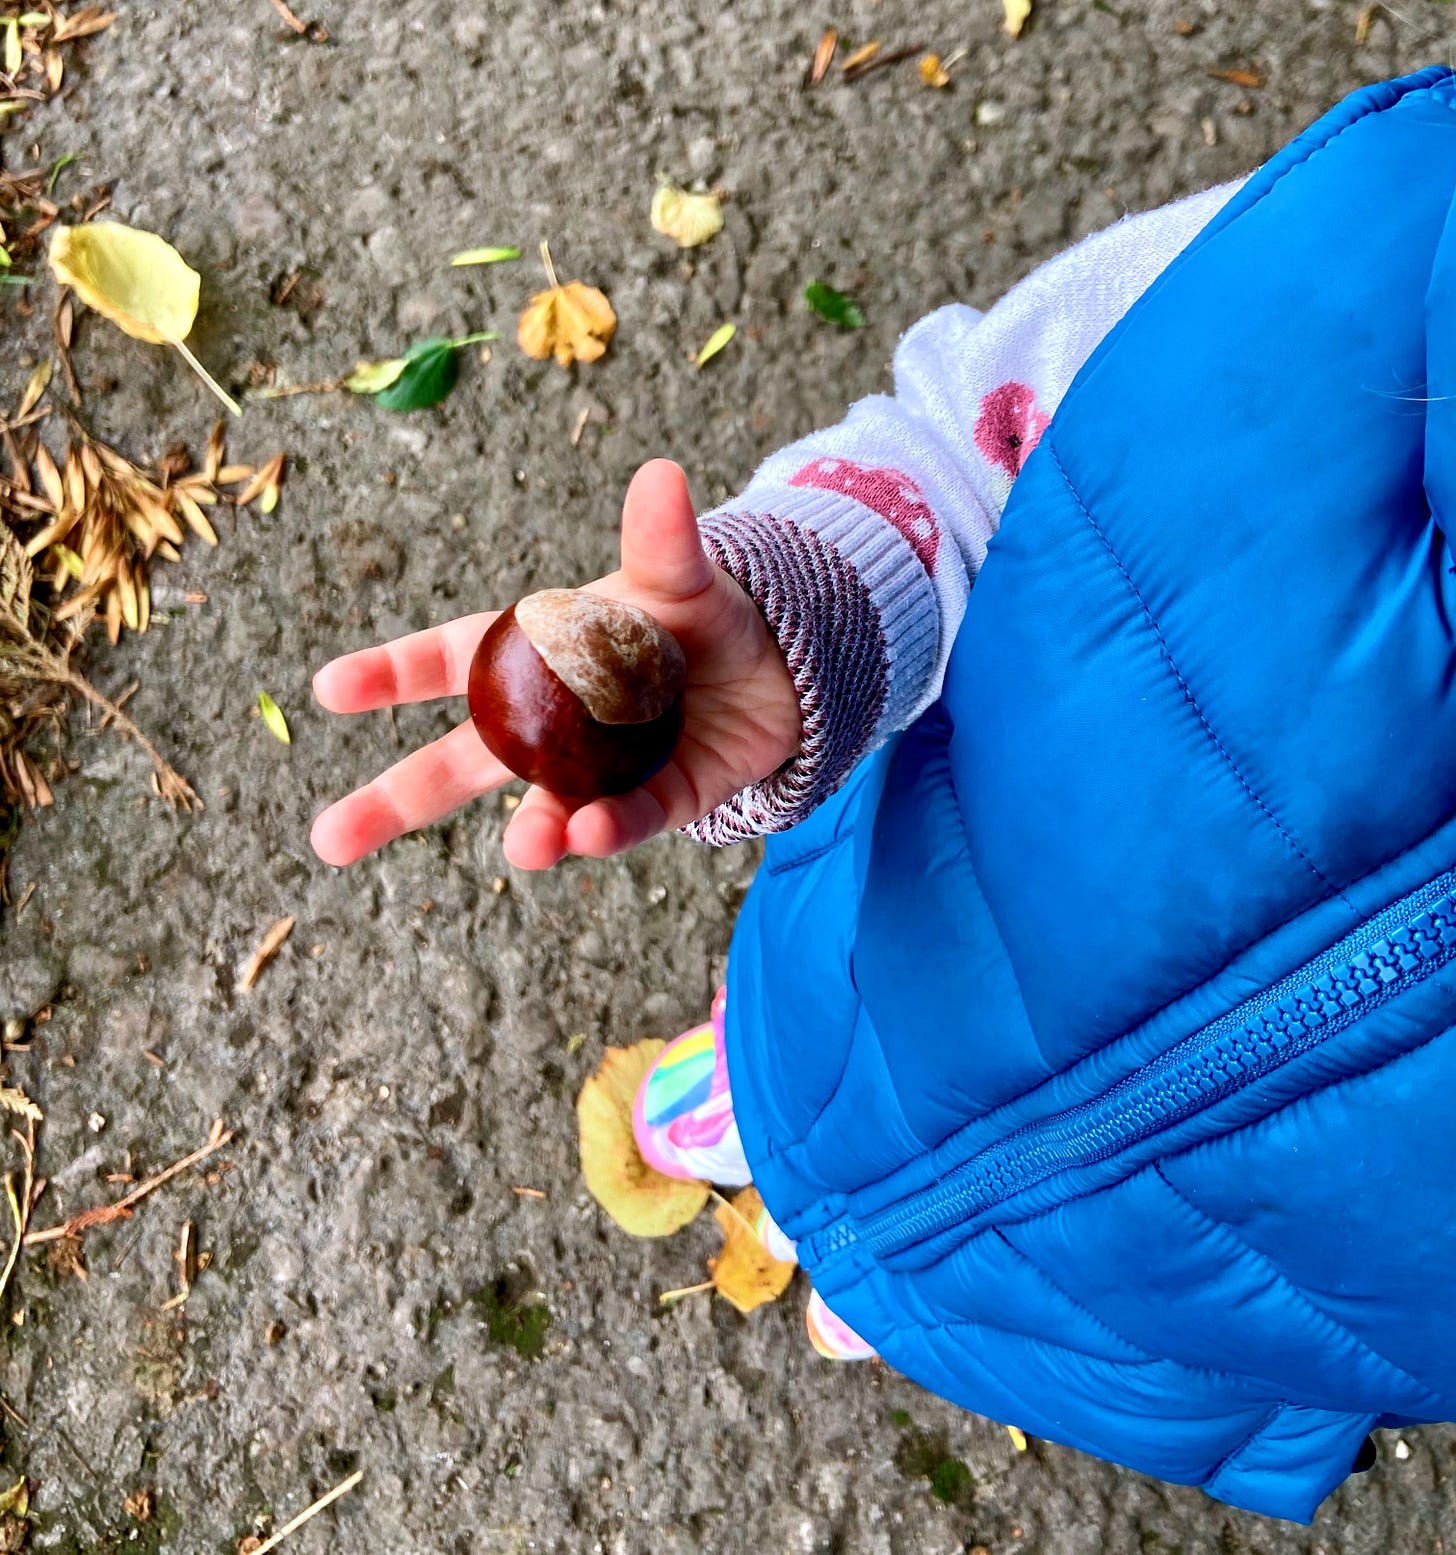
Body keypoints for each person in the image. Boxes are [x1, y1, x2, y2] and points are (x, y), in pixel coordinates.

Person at [310, 65, 1456, 1522]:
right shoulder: (1408, 228)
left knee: (1035, 1311)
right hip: (903, 944)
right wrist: (816, 618)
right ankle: (786, 1122)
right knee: (831, 1056)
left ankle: (920, 1305)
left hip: (1217, 1301)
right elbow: (996, 444)